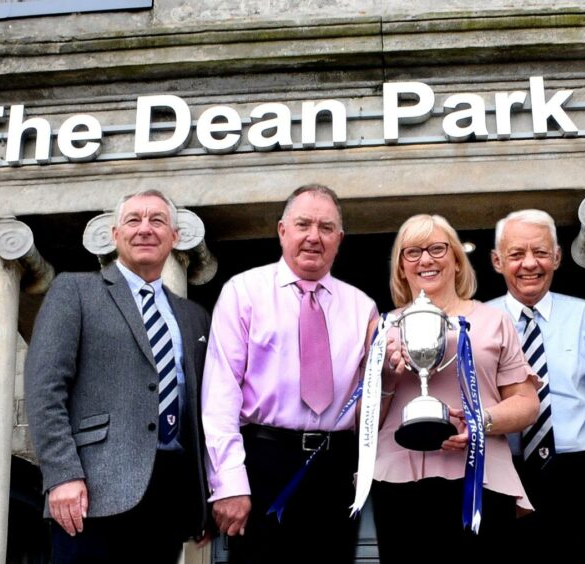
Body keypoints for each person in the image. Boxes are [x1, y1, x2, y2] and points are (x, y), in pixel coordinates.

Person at [25, 190, 211, 564]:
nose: (145, 229)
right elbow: (45, 388)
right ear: (114, 234)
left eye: (157, 221)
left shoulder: (193, 317)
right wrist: (61, 474)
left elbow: (202, 409)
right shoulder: (74, 291)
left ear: (174, 237)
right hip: (91, 491)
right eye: (134, 220)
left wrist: (202, 496)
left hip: (169, 492)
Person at [202, 184, 377, 563]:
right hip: (264, 464)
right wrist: (228, 482)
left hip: (335, 470)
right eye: (303, 225)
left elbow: (373, 397)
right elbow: (220, 393)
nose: (314, 237)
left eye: (326, 228)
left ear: (339, 238)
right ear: (282, 231)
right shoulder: (243, 292)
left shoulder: (363, 307)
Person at [373, 213, 539, 563]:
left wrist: (481, 421)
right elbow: (364, 422)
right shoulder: (382, 327)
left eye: (437, 248)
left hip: (482, 478)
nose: (426, 260)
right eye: (412, 252)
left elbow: (526, 402)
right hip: (401, 482)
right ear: (401, 267)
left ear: (457, 261)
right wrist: (386, 374)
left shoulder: (493, 320)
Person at [487, 209, 585, 562]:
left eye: (541, 252)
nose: (530, 264)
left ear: (557, 257)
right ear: (497, 261)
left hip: (578, 479)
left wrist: (584, 454)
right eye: (516, 254)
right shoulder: (480, 322)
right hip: (503, 477)